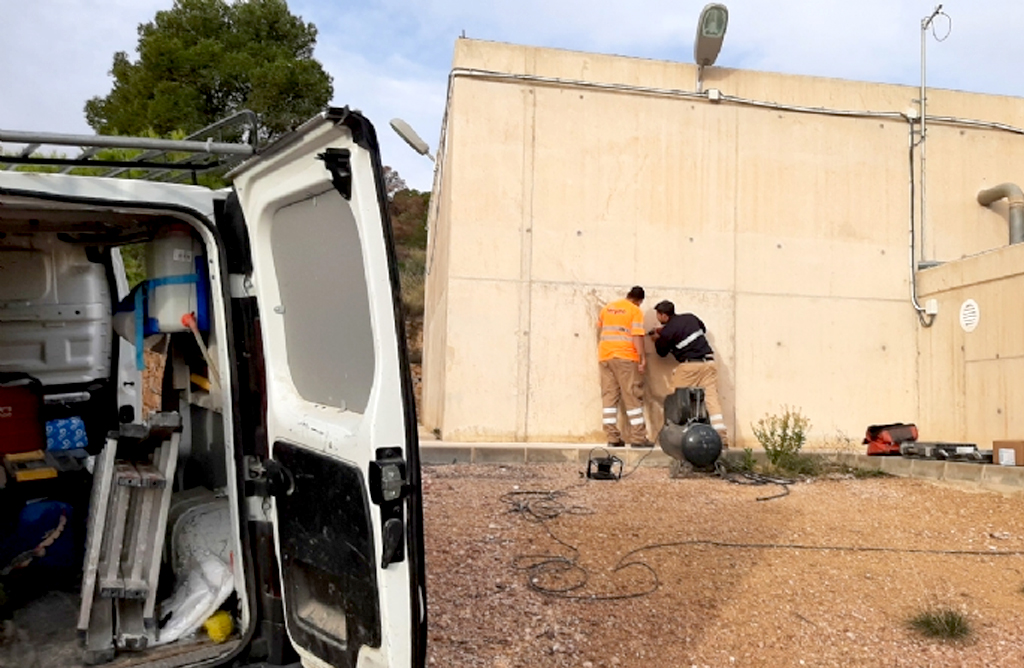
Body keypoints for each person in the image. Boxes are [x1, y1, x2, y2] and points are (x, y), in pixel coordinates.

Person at [649, 300, 728, 447]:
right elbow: (701, 329)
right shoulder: (690, 317)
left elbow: (661, 352)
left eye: (658, 315)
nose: (657, 318)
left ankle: (671, 438)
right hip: (709, 363)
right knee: (712, 400)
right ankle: (722, 439)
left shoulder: (667, 332)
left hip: (689, 367)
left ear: (664, 316)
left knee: (675, 398)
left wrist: (656, 339)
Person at [597, 286, 653, 448]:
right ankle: (638, 438)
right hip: (625, 357)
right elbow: (636, 336)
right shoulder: (634, 311)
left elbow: (600, 325)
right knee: (632, 395)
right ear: (639, 301)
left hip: (605, 356)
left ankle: (612, 437)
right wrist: (641, 358)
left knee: (609, 396)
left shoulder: (608, 308)